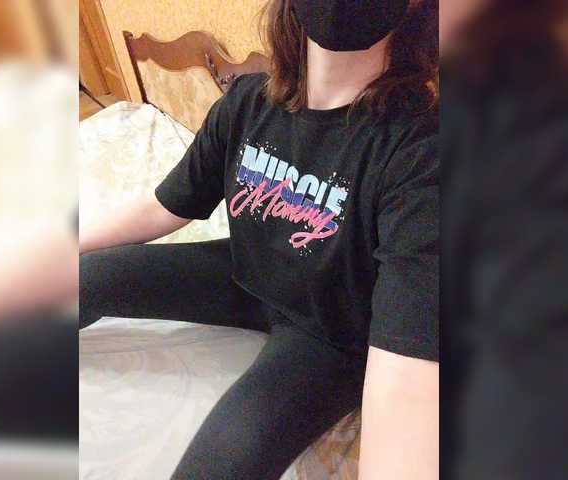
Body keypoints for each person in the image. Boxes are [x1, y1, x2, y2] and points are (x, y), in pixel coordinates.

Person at [80, 0, 439, 479]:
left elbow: (409, 373)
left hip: (328, 332)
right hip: (244, 273)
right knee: (76, 277)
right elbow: (165, 206)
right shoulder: (248, 102)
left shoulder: (421, 152)